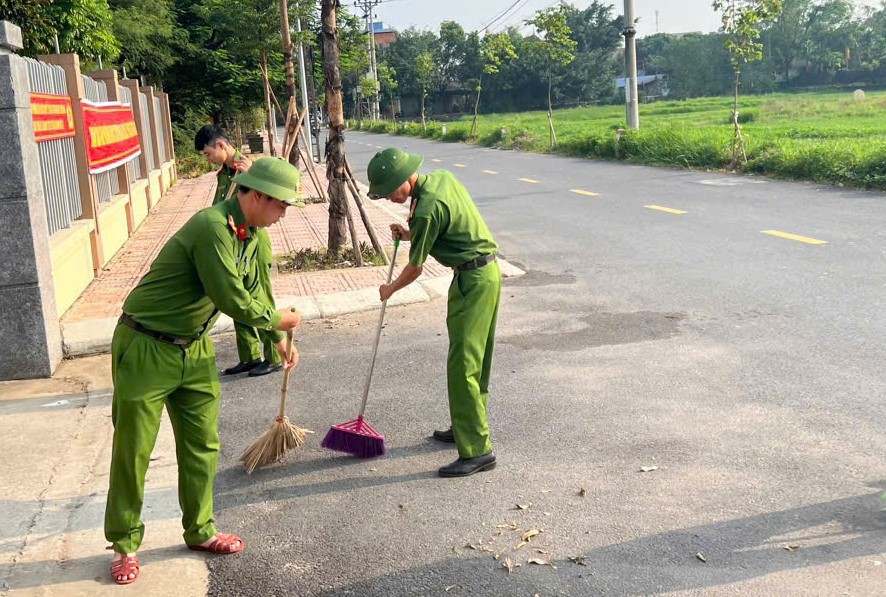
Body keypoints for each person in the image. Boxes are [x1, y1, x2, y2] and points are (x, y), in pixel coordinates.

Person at [105, 157, 304, 585]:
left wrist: (277, 340)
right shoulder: (212, 226)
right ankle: (124, 543)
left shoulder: (254, 236)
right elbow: (232, 297)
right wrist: (278, 321)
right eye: (281, 203)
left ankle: (200, 530)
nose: (285, 212)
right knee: (134, 449)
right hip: (146, 345)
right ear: (254, 195)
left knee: (202, 445)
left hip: (193, 349)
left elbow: (255, 291)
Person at [367, 148, 501, 478]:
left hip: (472, 281)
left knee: (463, 366)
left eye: (389, 192)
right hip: (486, 274)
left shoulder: (425, 209)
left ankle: (477, 450)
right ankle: (467, 426)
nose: (390, 198)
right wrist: (410, 233)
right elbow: (444, 222)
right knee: (476, 361)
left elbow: (415, 268)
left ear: (403, 180)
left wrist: (389, 290)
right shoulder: (442, 179)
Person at [194, 125, 281, 377]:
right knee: (238, 296)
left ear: (221, 145)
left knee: (260, 296)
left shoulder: (249, 167)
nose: (209, 160)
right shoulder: (225, 172)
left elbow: (270, 198)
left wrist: (250, 177)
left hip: (252, 241)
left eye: (209, 153)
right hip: (232, 240)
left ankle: (274, 354)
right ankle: (250, 355)